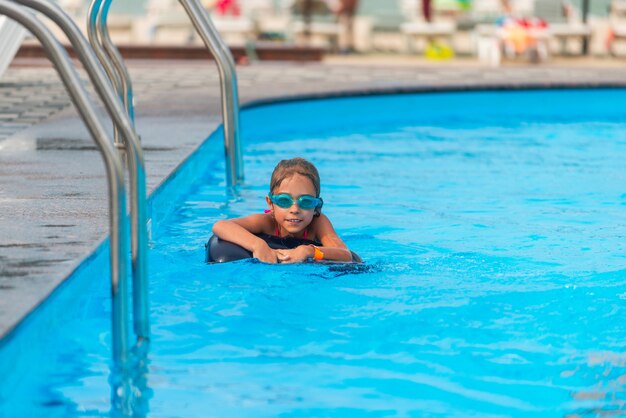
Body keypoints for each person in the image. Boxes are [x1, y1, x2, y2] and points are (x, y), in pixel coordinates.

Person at [212, 157, 353, 264]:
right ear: (271, 204)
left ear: (316, 207)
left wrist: (308, 250)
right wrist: (258, 245)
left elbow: (345, 254)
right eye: (284, 201)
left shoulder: (318, 223)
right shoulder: (267, 222)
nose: (295, 209)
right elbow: (220, 225)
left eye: (306, 202)